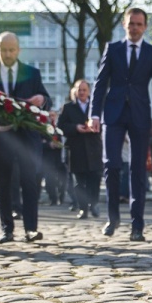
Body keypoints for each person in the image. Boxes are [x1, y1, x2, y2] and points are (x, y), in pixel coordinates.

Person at [89, 7, 152, 242]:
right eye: (131, 23)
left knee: (137, 170)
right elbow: (100, 82)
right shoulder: (112, 49)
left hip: (141, 116)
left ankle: (137, 225)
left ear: (145, 27)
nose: (135, 28)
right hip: (112, 115)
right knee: (111, 165)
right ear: (124, 25)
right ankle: (113, 219)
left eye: (139, 24)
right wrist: (94, 114)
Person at [0, 31, 52, 244]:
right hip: (1, 139)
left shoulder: (32, 73)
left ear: (18, 49)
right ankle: (7, 229)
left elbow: (46, 99)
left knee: (29, 182)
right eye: (3, 49)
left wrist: (42, 99)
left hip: (27, 137)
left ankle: (31, 229)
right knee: (3, 183)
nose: (7, 54)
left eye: (11, 49)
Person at [59, 80, 103, 219]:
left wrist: (96, 127)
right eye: (80, 90)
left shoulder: (95, 106)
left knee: (95, 179)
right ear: (75, 92)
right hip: (76, 149)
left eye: (84, 90)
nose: (82, 92)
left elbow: (105, 123)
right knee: (79, 182)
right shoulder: (68, 108)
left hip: (94, 148)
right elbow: (61, 126)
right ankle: (83, 208)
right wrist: (75, 128)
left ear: (89, 91)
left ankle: (94, 205)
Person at [40, 110, 67, 206]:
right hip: (48, 158)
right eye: (49, 115)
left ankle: (61, 196)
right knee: (49, 181)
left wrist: (60, 144)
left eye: (53, 115)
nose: (51, 117)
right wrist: (48, 144)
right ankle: (53, 199)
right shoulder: (43, 127)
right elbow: (40, 143)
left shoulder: (60, 127)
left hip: (60, 158)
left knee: (63, 180)